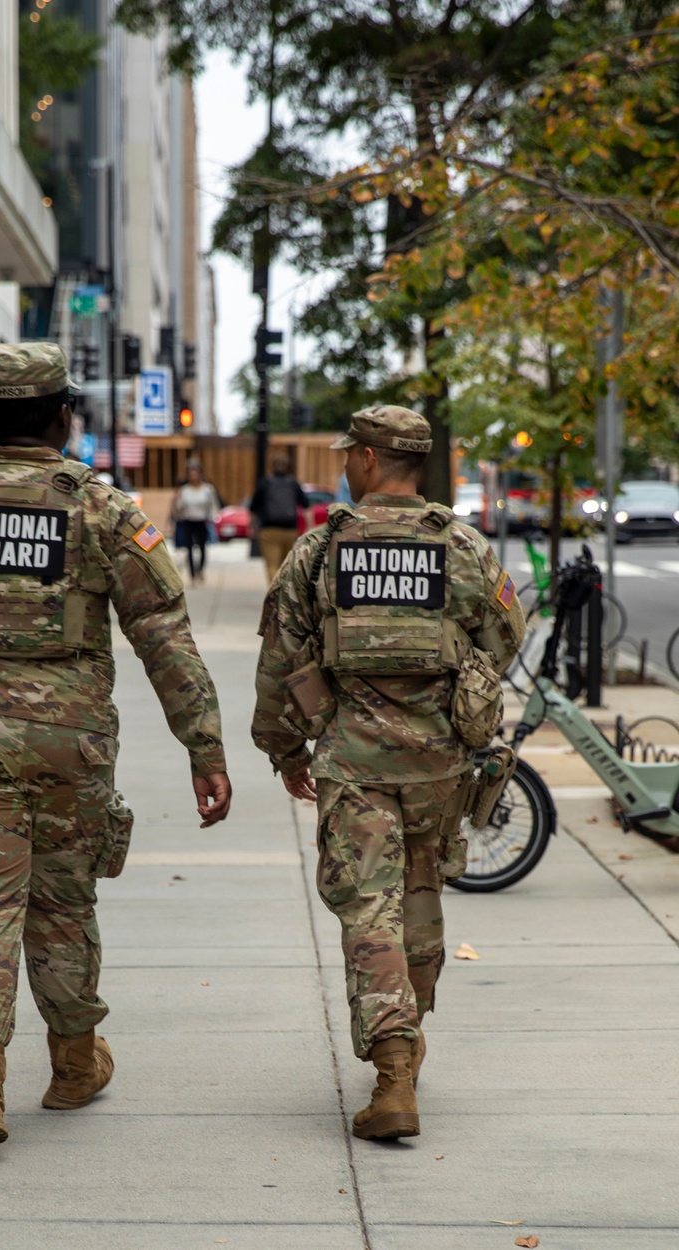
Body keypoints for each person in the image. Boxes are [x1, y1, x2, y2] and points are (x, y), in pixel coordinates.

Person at [0, 342, 231, 1155]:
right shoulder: (102, 509)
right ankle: (72, 1066)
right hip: (71, 747)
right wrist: (203, 746)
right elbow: (164, 634)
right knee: (63, 904)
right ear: (64, 415)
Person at [252, 405, 524, 1142]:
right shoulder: (460, 546)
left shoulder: (321, 551)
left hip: (354, 764)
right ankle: (410, 1039)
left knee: (369, 909)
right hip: (439, 762)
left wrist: (282, 748)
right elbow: (504, 635)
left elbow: (280, 658)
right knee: (422, 899)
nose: (346, 465)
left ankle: (394, 1070)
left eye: (350, 454)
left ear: (369, 459)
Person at [250, 453, 309, 582]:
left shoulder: (265, 483)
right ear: (287, 466)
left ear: (272, 466)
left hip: (269, 530)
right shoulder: (293, 483)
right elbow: (306, 506)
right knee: (287, 566)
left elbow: (253, 507)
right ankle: (285, 591)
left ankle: (275, 592)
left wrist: (253, 526)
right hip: (290, 530)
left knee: (272, 566)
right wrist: (308, 527)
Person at [172, 460, 220, 584]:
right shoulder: (184, 490)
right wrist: (178, 511)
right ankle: (192, 573)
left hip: (202, 521)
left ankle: (200, 569)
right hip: (188, 521)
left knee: (202, 547)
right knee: (189, 547)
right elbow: (178, 506)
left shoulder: (207, 489)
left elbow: (213, 506)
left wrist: (212, 518)